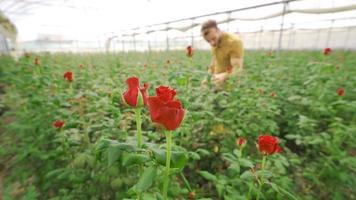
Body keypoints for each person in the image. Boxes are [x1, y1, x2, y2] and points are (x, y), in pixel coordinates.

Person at [201, 19, 244, 86]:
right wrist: (207, 77)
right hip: (217, 81)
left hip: (231, 83)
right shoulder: (214, 43)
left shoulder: (233, 42)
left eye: (213, 39)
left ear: (218, 30)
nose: (212, 43)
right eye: (209, 41)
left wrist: (224, 76)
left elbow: (237, 69)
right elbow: (214, 61)